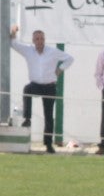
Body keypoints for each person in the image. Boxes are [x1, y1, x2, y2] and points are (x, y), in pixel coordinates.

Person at [9, 25, 74, 154]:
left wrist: (60, 69)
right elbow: (13, 44)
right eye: (37, 39)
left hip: (49, 86)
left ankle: (48, 144)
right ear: (33, 41)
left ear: (44, 40)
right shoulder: (28, 50)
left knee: (49, 116)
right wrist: (13, 32)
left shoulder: (52, 51)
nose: (39, 41)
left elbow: (69, 59)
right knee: (27, 89)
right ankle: (27, 118)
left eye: (41, 39)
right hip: (35, 85)